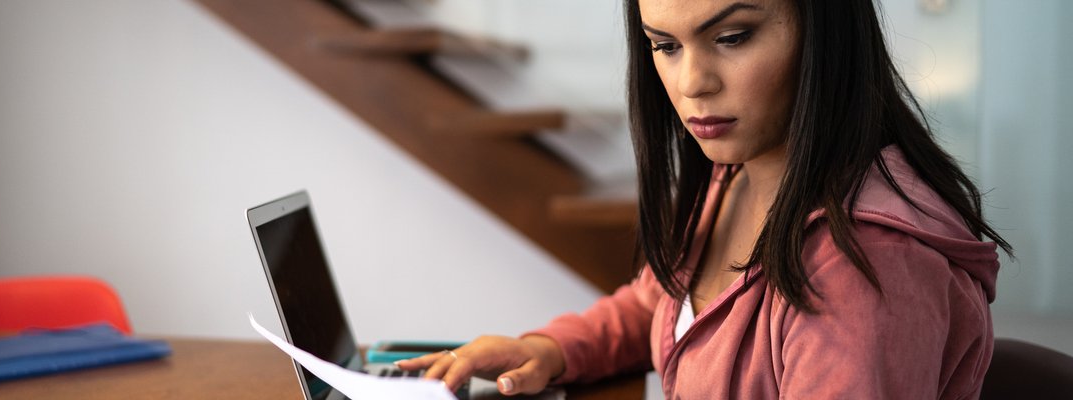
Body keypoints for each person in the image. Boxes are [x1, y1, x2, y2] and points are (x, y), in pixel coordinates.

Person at [398, 0, 1012, 397]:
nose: (692, 83)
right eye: (664, 46)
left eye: (733, 37)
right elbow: (659, 306)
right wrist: (546, 349)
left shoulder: (865, 266)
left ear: (825, 28)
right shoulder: (736, 172)